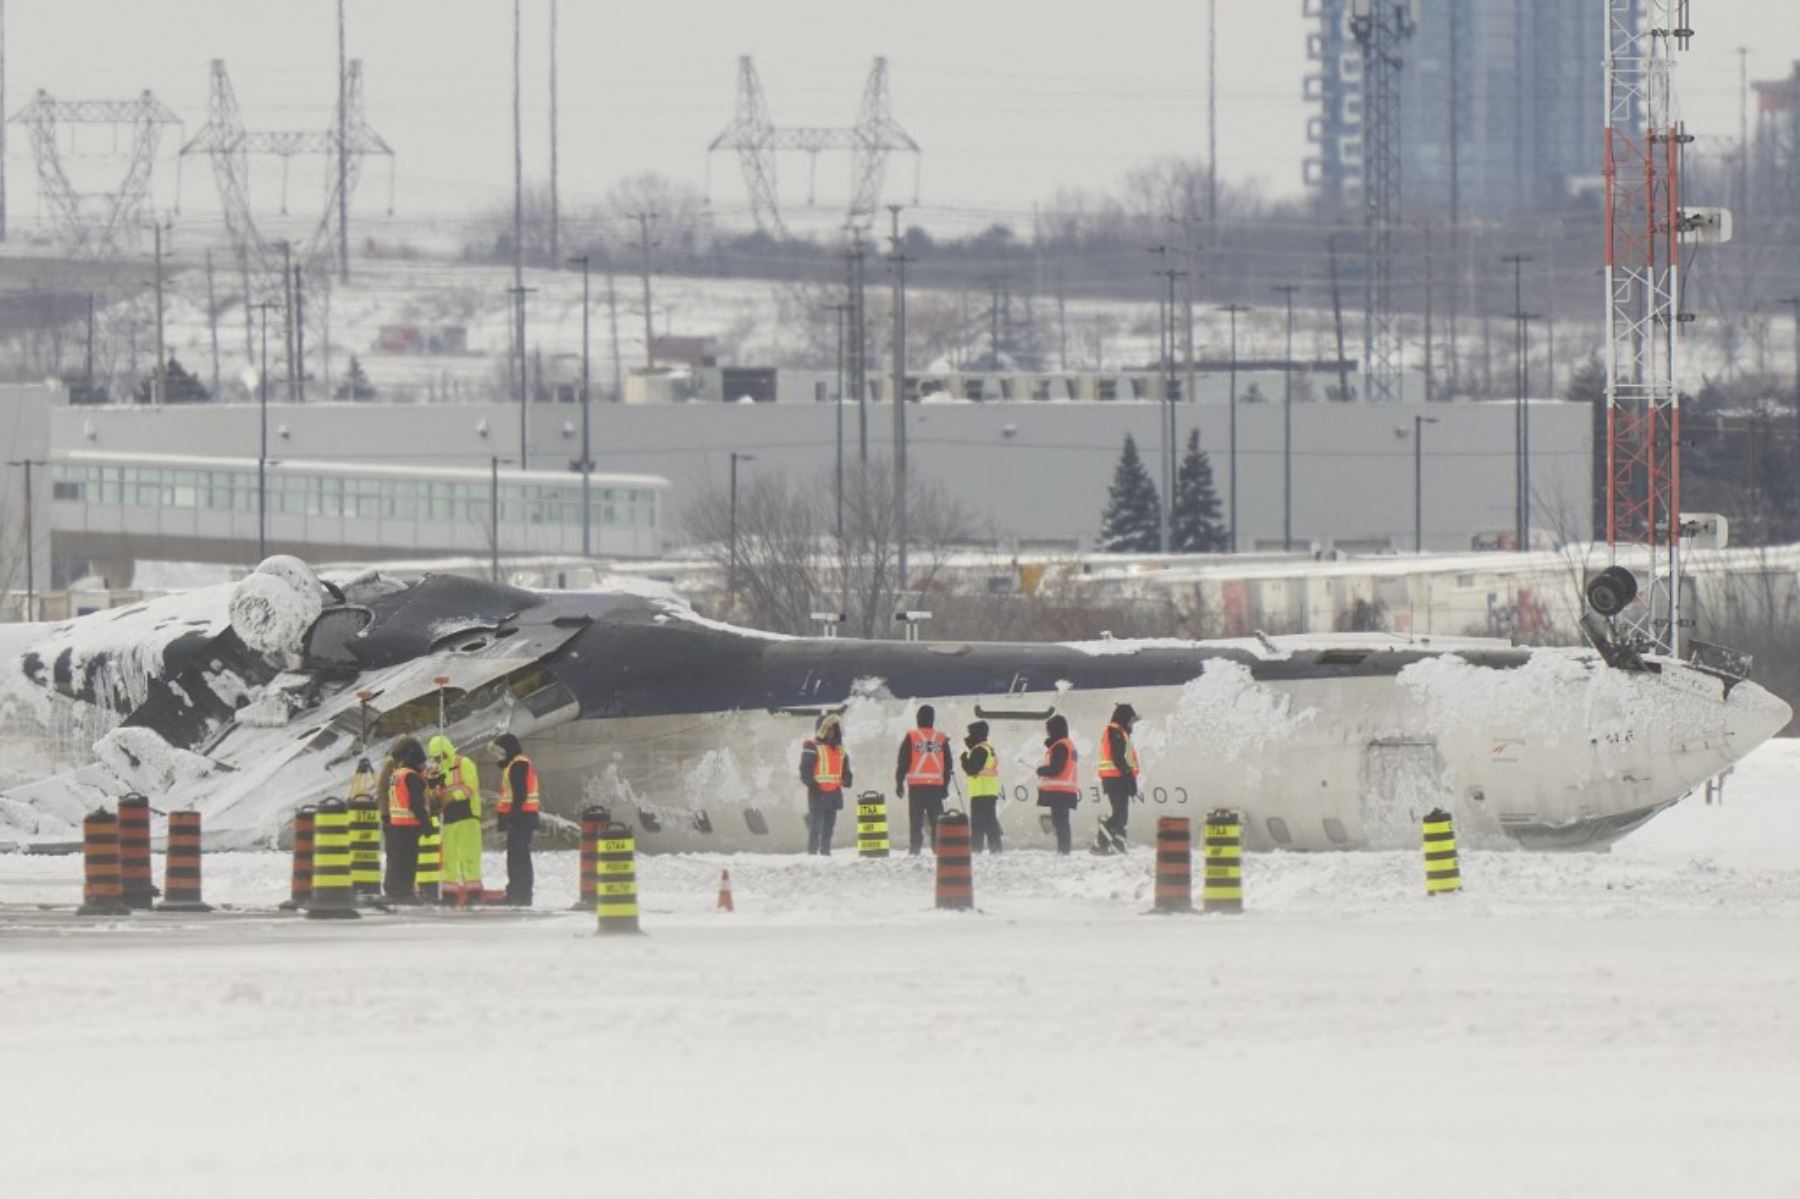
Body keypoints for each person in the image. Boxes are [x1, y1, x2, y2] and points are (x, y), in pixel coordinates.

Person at [428, 734, 484, 907]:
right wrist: (435, 794)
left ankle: (473, 894)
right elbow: (435, 794)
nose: (438, 760)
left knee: (469, 855)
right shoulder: (437, 771)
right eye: (435, 757)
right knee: (448, 858)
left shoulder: (464, 764)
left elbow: (470, 787)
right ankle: (449, 895)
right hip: (448, 818)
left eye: (440, 756)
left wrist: (451, 797)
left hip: (467, 816)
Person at [895, 704, 951, 855]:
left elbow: (903, 761)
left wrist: (899, 782)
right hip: (935, 788)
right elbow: (948, 764)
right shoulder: (940, 738)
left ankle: (915, 849)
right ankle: (938, 849)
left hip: (917, 787)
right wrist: (945, 786)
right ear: (933, 719)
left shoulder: (912, 737)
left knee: (916, 821)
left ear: (918, 718)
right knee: (936, 821)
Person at [494, 733, 539, 906]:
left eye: (501, 751)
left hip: (521, 818)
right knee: (520, 856)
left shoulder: (518, 764)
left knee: (517, 858)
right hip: (523, 817)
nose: (500, 756)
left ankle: (517, 894)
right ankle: (521, 894)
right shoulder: (516, 763)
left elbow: (520, 795)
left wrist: (511, 817)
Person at [383, 737, 429, 901]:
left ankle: (392, 890)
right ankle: (404, 892)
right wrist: (426, 822)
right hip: (409, 825)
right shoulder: (412, 776)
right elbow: (416, 804)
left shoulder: (397, 775)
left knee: (395, 860)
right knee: (408, 861)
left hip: (396, 824)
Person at [799, 714, 852, 855]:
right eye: (828, 729)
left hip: (834, 793)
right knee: (816, 826)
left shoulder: (840, 749)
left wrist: (847, 779)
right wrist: (813, 786)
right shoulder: (812, 746)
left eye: (833, 729)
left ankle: (825, 853)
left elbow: (846, 770)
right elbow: (805, 769)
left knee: (829, 826)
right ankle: (812, 853)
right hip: (818, 793)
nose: (831, 732)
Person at [1094, 703, 1141, 854]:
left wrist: (1129, 777)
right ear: (1124, 718)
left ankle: (1118, 845)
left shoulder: (1120, 732)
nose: (1132, 724)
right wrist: (1128, 777)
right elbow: (1118, 758)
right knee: (1119, 813)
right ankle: (1100, 843)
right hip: (1115, 779)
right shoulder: (1115, 732)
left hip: (1117, 778)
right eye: (1130, 720)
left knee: (1122, 813)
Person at [1035, 714, 1080, 854]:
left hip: (1060, 790)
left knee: (1061, 823)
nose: (1047, 732)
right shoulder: (1066, 744)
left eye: (1048, 729)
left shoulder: (1060, 746)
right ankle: (1063, 850)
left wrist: (1042, 770)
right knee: (1061, 822)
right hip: (1065, 789)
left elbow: (1057, 768)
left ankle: (1063, 851)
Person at [960, 719, 1003, 854]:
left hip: (981, 793)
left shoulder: (979, 750)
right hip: (989, 792)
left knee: (978, 825)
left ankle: (976, 850)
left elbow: (971, 769)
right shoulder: (988, 749)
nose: (968, 736)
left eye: (970, 733)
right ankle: (996, 849)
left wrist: (963, 759)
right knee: (990, 824)